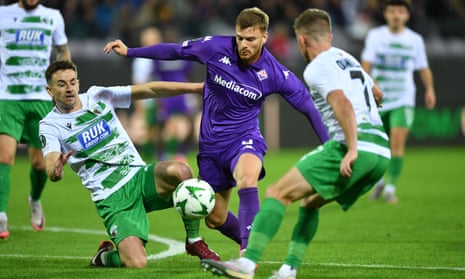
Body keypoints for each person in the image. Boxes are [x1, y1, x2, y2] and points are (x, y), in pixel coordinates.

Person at [103, 7, 329, 258]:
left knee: (247, 178)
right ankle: (248, 236)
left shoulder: (275, 74)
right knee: (215, 217)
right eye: (240, 38)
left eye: (250, 39)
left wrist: (331, 149)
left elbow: (308, 107)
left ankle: (248, 252)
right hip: (211, 147)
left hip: (244, 139)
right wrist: (130, 51)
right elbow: (176, 51)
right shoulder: (214, 48)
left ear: (264, 38)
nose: (243, 44)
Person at [201, 8, 391, 279]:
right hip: (381, 153)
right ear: (330, 35)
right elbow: (377, 93)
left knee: (277, 193)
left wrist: (351, 148)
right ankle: (288, 270)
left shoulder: (317, 67)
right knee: (310, 203)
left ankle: (247, 263)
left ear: (301, 40)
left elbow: (341, 103)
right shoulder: (347, 58)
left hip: (354, 147)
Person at [39, 60, 211, 267]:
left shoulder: (97, 96)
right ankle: (103, 256)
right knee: (136, 263)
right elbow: (51, 163)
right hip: (113, 197)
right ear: (50, 90)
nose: (69, 88)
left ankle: (194, 240)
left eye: (72, 82)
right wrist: (56, 171)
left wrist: (197, 88)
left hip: (139, 177)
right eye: (61, 84)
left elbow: (149, 89)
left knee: (181, 171)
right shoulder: (49, 125)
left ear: (78, 82)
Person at [0, 0, 71, 239]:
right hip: (8, 97)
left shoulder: (53, 17)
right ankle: (1, 215)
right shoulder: (2, 14)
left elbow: (62, 51)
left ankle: (35, 199)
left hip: (40, 98)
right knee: (4, 157)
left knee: (40, 165)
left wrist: (65, 81)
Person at [361, 0, 436, 204]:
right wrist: (370, 85)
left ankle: (390, 188)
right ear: (385, 14)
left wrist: (429, 89)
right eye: (392, 11)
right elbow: (366, 64)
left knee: (397, 140)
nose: (396, 15)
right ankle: (379, 183)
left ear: (407, 15)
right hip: (380, 99)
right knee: (378, 145)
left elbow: (423, 67)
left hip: (404, 98)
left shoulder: (415, 40)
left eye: (400, 11)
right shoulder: (376, 37)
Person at [133, 26, 198, 162]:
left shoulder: (159, 57)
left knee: (165, 127)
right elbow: (138, 84)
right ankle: (151, 158)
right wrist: (140, 106)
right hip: (151, 99)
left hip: (161, 97)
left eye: (156, 39)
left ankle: (165, 155)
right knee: (152, 131)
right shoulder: (141, 61)